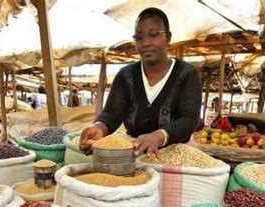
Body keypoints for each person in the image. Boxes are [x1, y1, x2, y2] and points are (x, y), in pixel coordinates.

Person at [79, 7, 202, 156]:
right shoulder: (126, 76)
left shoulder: (187, 74)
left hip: (174, 152)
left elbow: (189, 119)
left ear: (168, 38)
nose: (146, 43)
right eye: (139, 37)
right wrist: (98, 128)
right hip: (134, 151)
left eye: (153, 35)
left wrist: (158, 136)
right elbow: (112, 113)